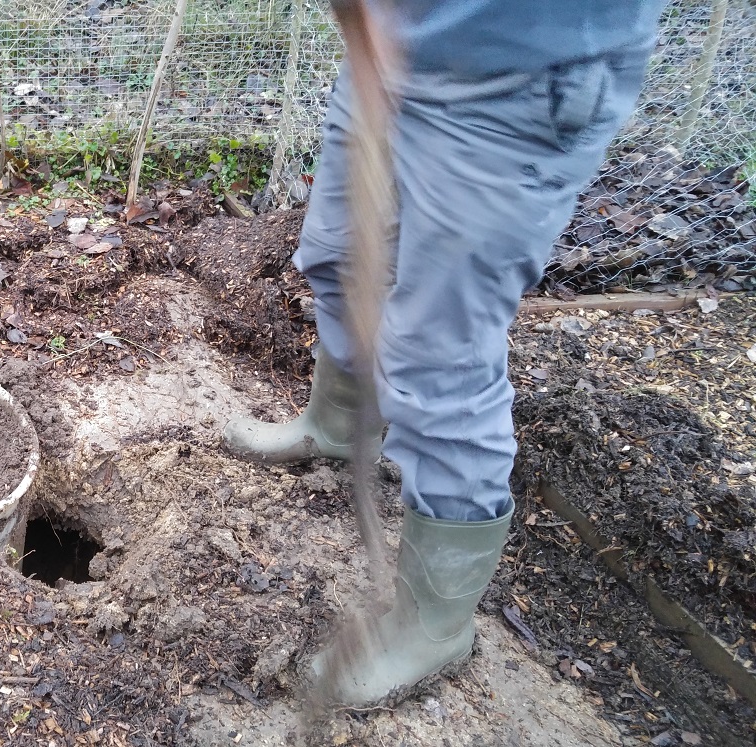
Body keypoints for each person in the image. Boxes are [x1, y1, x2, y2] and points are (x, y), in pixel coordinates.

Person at [222, 0, 669, 707]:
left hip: (516, 78)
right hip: (387, 44)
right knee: (338, 257)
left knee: (439, 353)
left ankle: (434, 624)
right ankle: (336, 428)